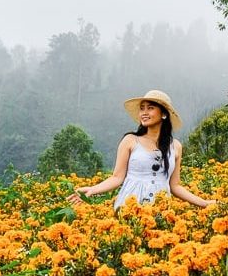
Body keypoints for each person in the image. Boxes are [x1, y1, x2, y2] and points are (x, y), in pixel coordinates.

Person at [67, 90, 216, 210]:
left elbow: (175, 186)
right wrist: (93, 190)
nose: (144, 112)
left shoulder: (175, 146)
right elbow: (117, 177)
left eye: (150, 108)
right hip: (130, 206)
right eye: (142, 108)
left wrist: (204, 203)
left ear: (163, 114)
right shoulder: (130, 140)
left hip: (161, 209)